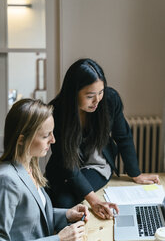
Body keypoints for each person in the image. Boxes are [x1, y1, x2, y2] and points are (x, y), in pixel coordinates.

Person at [45, 58, 160, 220]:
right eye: (90, 95)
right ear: (73, 92)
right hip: (66, 167)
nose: (97, 100)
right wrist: (94, 201)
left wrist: (136, 174)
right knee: (53, 200)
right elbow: (65, 161)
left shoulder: (110, 99)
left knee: (65, 201)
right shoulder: (56, 111)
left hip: (95, 164)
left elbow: (123, 136)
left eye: (101, 92)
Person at [0, 98, 89, 241]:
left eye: (52, 133)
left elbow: (33, 218)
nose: (53, 140)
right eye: (46, 135)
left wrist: (67, 214)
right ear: (22, 139)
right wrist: (59, 239)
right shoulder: (7, 180)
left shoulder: (30, 168)